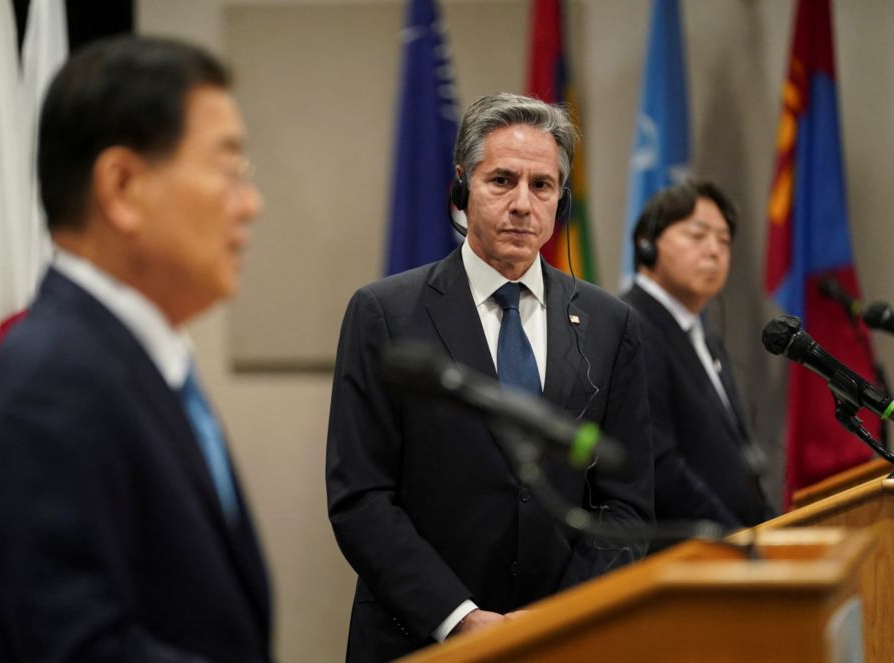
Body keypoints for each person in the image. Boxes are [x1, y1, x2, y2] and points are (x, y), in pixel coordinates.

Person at [0, 36, 272, 661]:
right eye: (228, 169)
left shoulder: (135, 359)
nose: (251, 204)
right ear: (123, 187)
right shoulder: (49, 386)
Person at [326, 92, 654, 662]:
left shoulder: (610, 324)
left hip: (566, 639)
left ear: (562, 201)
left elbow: (627, 507)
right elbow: (361, 497)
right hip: (418, 639)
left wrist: (556, 616)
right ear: (461, 189)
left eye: (542, 186)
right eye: (502, 181)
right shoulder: (384, 313)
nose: (523, 204)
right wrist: (460, 619)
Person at [622, 180, 773, 533]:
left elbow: (737, 460)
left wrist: (771, 527)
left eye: (723, 241)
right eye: (697, 235)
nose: (714, 251)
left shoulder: (706, 338)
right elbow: (657, 462)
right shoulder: (632, 325)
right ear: (646, 244)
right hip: (688, 553)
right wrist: (733, 537)